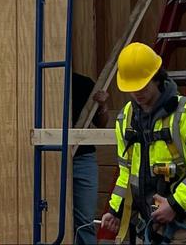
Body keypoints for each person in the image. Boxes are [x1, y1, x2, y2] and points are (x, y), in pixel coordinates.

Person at [100, 43, 186, 244]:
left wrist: (174, 205)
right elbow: (126, 172)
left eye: (143, 85)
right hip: (146, 223)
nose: (138, 93)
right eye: (132, 88)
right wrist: (115, 210)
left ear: (157, 77)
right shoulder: (126, 118)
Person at [72, 72, 109, 244]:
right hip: (51, 159)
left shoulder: (84, 83)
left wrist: (102, 106)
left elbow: (101, 123)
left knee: (84, 220)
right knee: (52, 217)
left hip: (83, 158)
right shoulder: (42, 81)